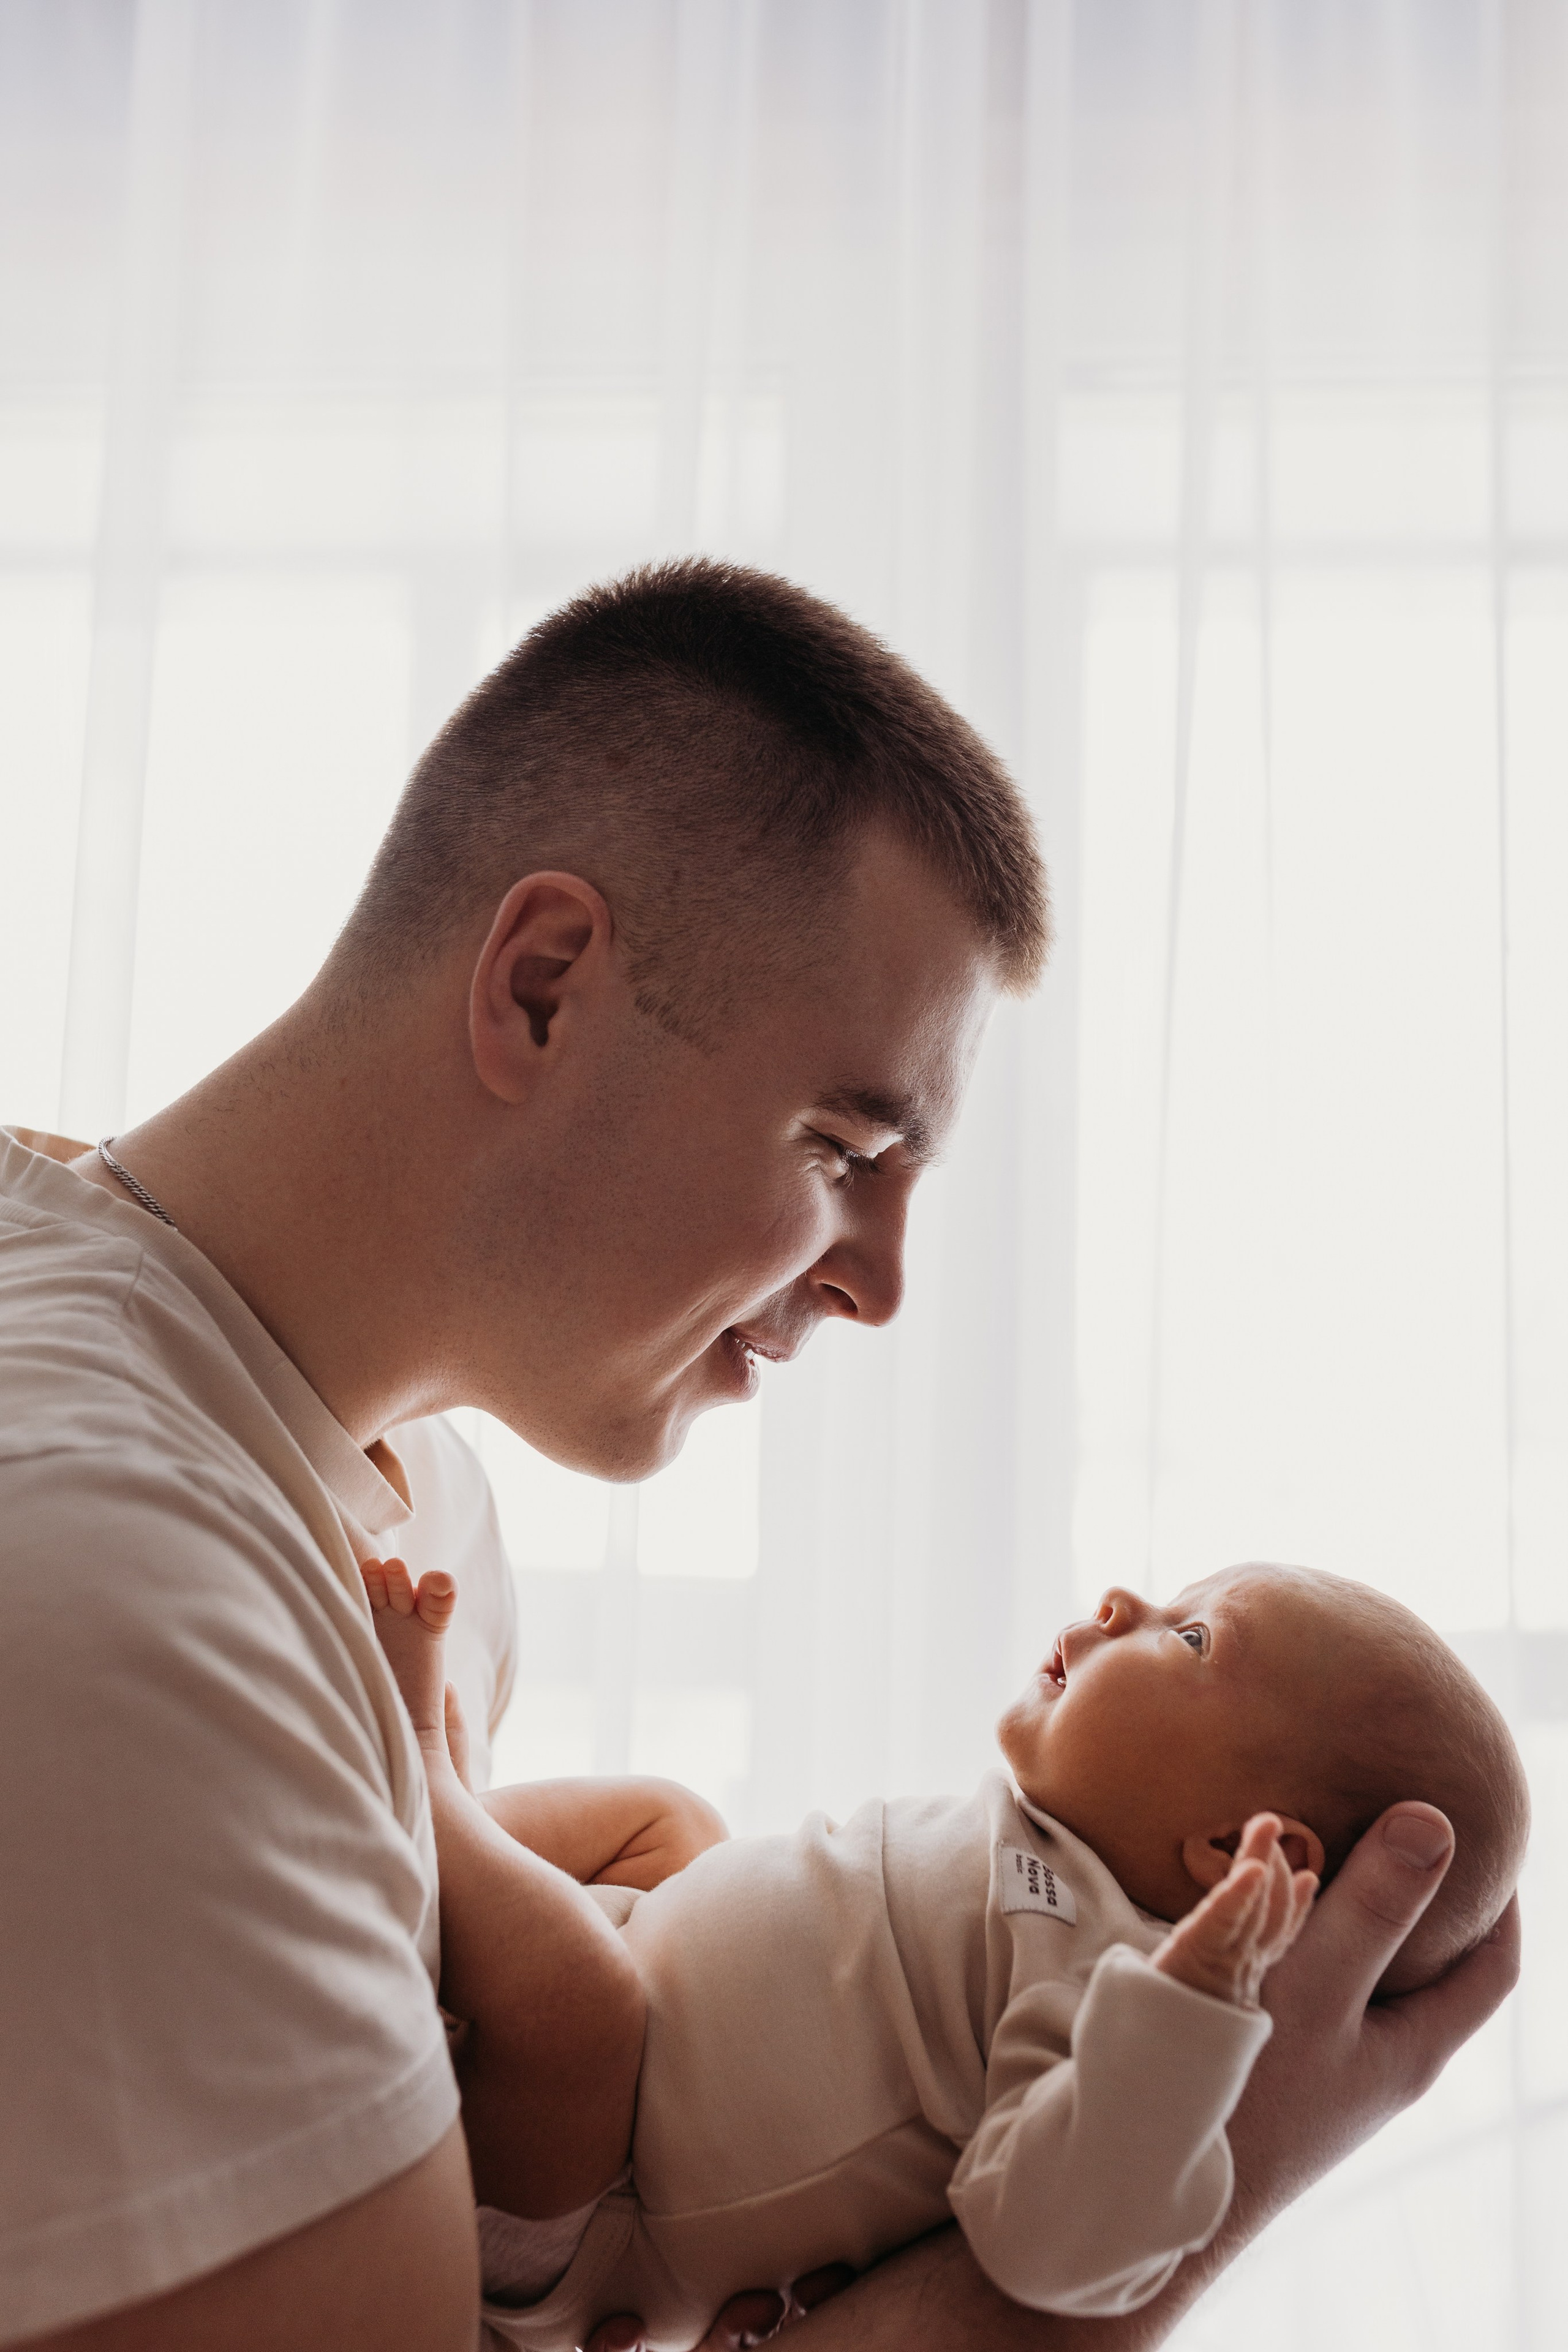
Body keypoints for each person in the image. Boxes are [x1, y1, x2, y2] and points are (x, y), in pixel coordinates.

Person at [0, 560, 1518, 2352]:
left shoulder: (416, 1499)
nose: (877, 1287)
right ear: (547, 985)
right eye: (840, 1147)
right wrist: (1183, 2227)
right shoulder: (119, 1586)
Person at [356, 1556, 1527, 2350]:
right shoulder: (1039, 1848)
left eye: (1195, 1635)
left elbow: (1059, 2253)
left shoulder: (1114, 2002)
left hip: (576, 2192)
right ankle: (449, 1867)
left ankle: (424, 1788)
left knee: (581, 2011)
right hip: (616, 2001)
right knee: (677, 1826)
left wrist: (1190, 2016)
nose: (1123, 1601)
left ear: (1234, 1847)